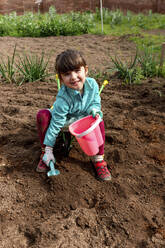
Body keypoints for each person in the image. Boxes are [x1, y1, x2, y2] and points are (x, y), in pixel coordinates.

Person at [36, 49, 111, 181]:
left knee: (99, 120)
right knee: (43, 115)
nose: (73, 77)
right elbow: (56, 124)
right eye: (67, 74)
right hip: (66, 122)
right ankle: (45, 154)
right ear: (61, 78)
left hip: (84, 119)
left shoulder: (92, 84)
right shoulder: (63, 99)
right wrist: (49, 148)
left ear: (85, 70)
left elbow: (95, 101)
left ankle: (98, 159)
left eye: (77, 71)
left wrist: (94, 109)